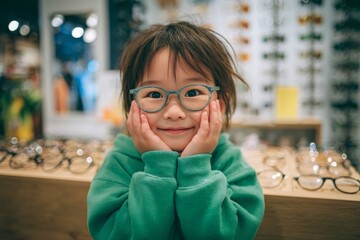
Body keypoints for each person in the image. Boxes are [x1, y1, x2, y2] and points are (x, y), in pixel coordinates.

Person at [87, 21, 264, 240]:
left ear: (221, 104)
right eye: (153, 94)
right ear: (131, 106)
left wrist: (196, 165)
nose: (173, 112)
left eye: (192, 93)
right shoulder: (120, 163)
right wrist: (157, 167)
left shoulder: (230, 162)